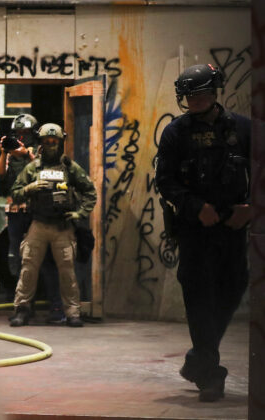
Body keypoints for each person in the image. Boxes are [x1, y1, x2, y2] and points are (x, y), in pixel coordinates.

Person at [155, 64, 250, 402]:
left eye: (200, 93)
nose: (193, 100)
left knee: (233, 288)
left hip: (233, 227)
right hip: (196, 230)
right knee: (199, 298)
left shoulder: (243, 128)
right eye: (188, 95)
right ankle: (210, 375)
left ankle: (200, 357)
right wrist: (196, 206)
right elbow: (164, 180)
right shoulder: (175, 133)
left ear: (215, 92)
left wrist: (251, 208)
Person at [9, 123, 96, 328]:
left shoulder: (69, 167)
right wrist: (30, 187)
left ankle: (73, 312)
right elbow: (16, 192)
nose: (50, 145)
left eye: (54, 142)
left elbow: (90, 192)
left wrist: (79, 214)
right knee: (28, 268)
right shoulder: (33, 167)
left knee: (67, 271)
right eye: (47, 142)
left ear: (60, 143)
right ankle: (22, 309)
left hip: (62, 226)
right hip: (38, 224)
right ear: (41, 143)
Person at [0, 114, 65, 323]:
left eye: (25, 133)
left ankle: (56, 308)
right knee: (20, 260)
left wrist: (27, 155)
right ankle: (24, 307)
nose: (21, 138)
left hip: (38, 213)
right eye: (18, 134)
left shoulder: (42, 150)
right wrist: (4, 152)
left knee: (46, 260)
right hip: (16, 214)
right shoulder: (10, 154)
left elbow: (49, 172)